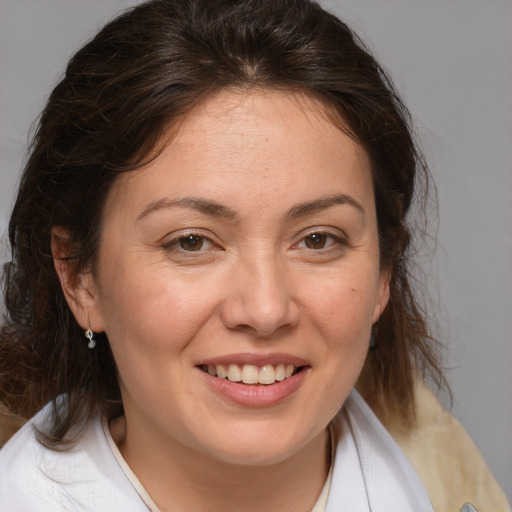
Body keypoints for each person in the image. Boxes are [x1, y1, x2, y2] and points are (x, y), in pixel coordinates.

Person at [0, 0, 508, 510]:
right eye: (192, 242)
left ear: (383, 272)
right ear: (80, 278)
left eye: (318, 239)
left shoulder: (452, 487)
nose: (265, 310)